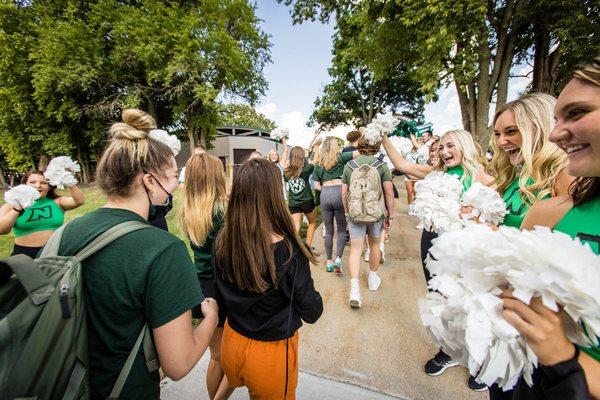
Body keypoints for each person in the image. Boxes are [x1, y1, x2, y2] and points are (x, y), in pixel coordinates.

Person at [55, 109, 218, 399]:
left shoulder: (64, 234)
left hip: (64, 384)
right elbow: (178, 364)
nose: (175, 186)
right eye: (170, 178)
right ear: (149, 181)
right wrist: (211, 319)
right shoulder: (163, 250)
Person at [500, 57, 600, 400]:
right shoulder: (552, 211)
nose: (558, 133)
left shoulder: (564, 181)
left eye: (576, 114)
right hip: (533, 377)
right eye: (558, 118)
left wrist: (563, 356)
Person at [382, 129, 494, 392]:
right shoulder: (436, 173)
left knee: (471, 302)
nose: (444, 152)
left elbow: (499, 211)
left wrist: (476, 213)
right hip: (432, 242)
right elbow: (402, 165)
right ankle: (450, 351)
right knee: (440, 298)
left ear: (465, 146)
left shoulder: (482, 177)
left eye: (450, 146)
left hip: (466, 248)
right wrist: (383, 138)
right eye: (441, 147)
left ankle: (481, 360)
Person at [213, 158, 323, 400]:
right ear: (275, 195)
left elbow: (220, 294)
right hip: (270, 354)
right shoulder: (288, 251)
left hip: (232, 341)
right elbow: (311, 311)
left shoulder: (223, 240)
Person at [177, 153, 233, 400]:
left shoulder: (189, 210)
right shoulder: (223, 210)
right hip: (224, 286)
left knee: (217, 355)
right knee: (224, 357)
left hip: (202, 284)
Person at [491, 92, 573, 230]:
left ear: (541, 129)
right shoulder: (519, 176)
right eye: (497, 134)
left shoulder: (565, 174)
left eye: (511, 131)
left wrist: (492, 232)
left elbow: (570, 242)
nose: (500, 142)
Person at [342, 138, 394, 308]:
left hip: (356, 214)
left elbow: (344, 194)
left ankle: (355, 290)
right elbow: (388, 193)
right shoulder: (382, 165)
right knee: (374, 246)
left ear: (360, 147)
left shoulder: (350, 165)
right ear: (376, 147)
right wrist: (390, 215)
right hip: (376, 214)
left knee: (355, 251)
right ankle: (373, 279)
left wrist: (347, 212)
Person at [0, 169, 85, 258]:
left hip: (56, 252)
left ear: (49, 187)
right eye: (32, 182)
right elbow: (2, 230)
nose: (38, 186)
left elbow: (79, 201)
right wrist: (17, 208)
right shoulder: (11, 205)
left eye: (44, 183)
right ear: (25, 185)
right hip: (25, 254)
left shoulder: (58, 202)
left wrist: (69, 181)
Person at [314, 137, 358, 273]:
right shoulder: (341, 157)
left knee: (328, 230)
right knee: (341, 229)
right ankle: (338, 259)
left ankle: (328, 262)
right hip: (340, 193)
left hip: (325, 194)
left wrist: (327, 190)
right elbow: (360, 152)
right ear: (335, 146)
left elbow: (316, 186)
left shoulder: (318, 163)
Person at [283, 146, 318, 248]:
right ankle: (308, 247)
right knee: (312, 223)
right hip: (307, 201)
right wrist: (316, 148)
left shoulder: (286, 172)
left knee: (296, 227)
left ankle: (294, 247)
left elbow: (285, 179)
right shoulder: (306, 170)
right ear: (301, 157)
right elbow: (315, 160)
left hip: (293, 203)